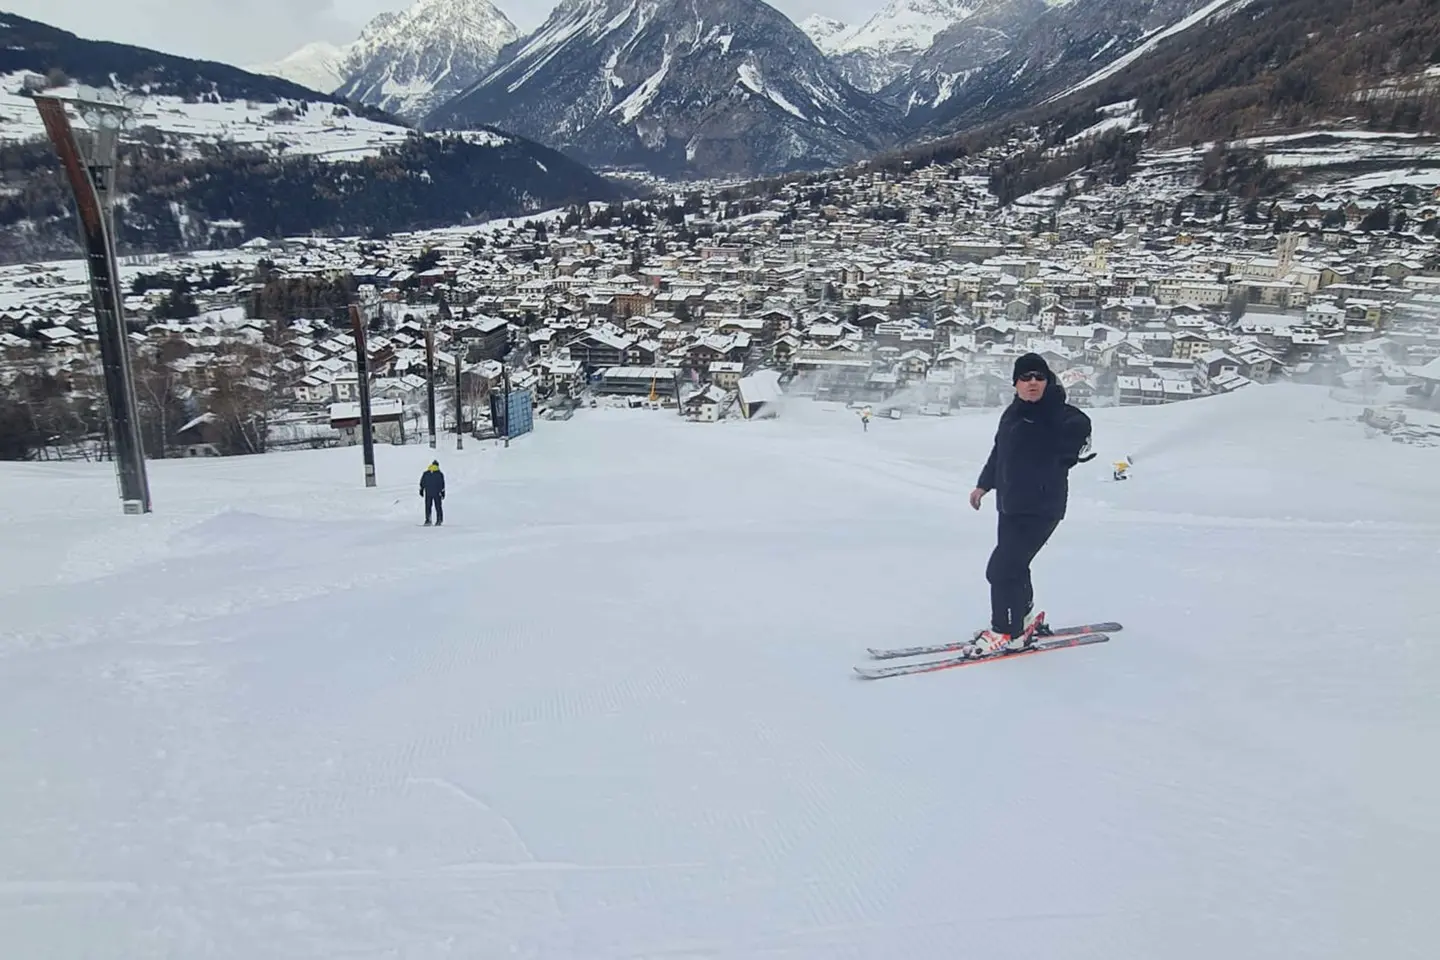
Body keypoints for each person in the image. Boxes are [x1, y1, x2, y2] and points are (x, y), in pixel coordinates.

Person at [968, 354, 1093, 656]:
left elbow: (1077, 424)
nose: (1033, 382)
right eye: (1026, 377)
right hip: (1010, 506)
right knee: (1015, 566)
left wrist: (1073, 447)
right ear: (1015, 384)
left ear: (1047, 381)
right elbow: (1000, 452)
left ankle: (1007, 632)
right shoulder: (1013, 413)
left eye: (1039, 376)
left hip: (1041, 507)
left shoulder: (1055, 412)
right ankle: (1022, 618)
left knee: (1000, 570)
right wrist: (984, 485)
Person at [419, 460, 445, 526]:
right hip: (437, 493)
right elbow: (442, 484)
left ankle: (428, 520)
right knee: (438, 507)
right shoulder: (439, 474)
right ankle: (439, 520)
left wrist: (421, 490)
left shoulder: (426, 473)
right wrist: (443, 493)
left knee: (428, 507)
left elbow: (422, 482)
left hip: (428, 492)